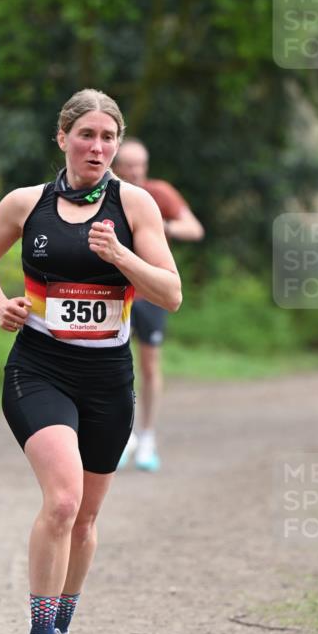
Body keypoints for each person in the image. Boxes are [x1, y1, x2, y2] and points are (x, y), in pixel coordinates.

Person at [0, 90, 181, 634]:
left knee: (85, 520)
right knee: (61, 502)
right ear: (62, 138)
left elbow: (170, 293)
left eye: (108, 138)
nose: (98, 147)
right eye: (86, 134)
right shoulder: (26, 204)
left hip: (108, 380)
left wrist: (121, 257)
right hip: (38, 369)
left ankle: (61, 631)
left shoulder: (134, 204)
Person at [112, 138, 204, 471]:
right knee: (113, 364)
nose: (135, 171)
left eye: (140, 165)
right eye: (128, 165)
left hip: (149, 293)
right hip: (111, 291)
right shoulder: (102, 193)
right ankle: (123, 436)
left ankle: (147, 436)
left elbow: (194, 228)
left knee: (149, 365)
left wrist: (160, 226)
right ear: (115, 164)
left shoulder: (158, 194)